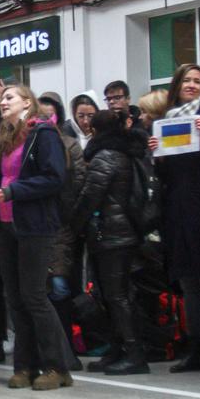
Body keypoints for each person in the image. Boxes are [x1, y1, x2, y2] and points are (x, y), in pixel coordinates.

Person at [147, 64, 200, 375]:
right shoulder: (167, 119)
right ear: (177, 85)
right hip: (177, 207)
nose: (193, 86)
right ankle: (194, 348)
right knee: (187, 281)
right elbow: (166, 175)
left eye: (198, 81)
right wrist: (159, 157)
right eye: (187, 81)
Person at [0, 85, 71, 390]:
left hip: (35, 224)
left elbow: (54, 178)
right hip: (8, 224)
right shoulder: (7, 138)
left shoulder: (44, 134)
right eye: (1, 99)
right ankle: (25, 365)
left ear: (27, 102)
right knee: (16, 299)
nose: (3, 102)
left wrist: (14, 191)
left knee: (35, 296)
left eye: (9, 97)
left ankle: (57, 366)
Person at [71, 110, 148, 375]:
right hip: (120, 233)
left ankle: (134, 353)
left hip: (111, 235)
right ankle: (119, 350)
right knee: (113, 296)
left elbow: (91, 195)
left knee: (116, 297)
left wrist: (73, 226)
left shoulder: (105, 156)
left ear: (94, 131)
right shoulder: (125, 151)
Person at [39, 91, 85, 370]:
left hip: (62, 226)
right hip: (37, 226)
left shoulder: (70, 145)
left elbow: (79, 183)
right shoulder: (32, 143)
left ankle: (67, 348)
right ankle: (48, 350)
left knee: (60, 288)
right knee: (39, 291)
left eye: (50, 113)